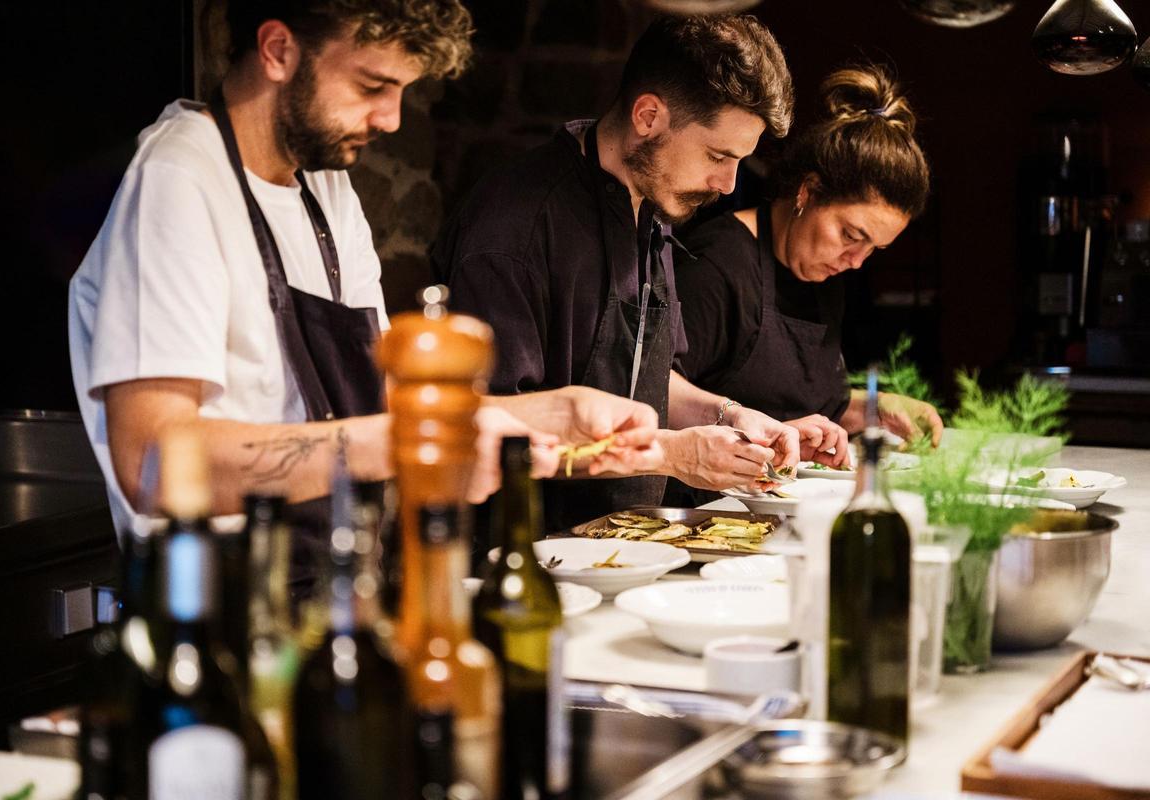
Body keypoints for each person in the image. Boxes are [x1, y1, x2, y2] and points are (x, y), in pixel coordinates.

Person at [68, 0, 659, 538]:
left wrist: (554, 413)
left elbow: (379, 399)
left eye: (402, 90)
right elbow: (153, 461)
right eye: (372, 85)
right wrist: (408, 443)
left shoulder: (326, 188)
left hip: (331, 578)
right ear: (278, 50)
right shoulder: (180, 177)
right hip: (216, 598)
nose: (392, 119)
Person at [433, 14, 825, 530]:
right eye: (717, 155)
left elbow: (649, 379)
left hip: (625, 544)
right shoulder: (514, 225)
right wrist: (671, 454)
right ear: (648, 116)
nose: (729, 184)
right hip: (529, 550)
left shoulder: (653, 209)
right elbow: (495, 425)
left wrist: (730, 416)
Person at [674, 64, 944, 462]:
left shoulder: (820, 273)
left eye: (874, 248)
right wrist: (732, 419)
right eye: (851, 235)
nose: (856, 262)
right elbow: (651, 388)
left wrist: (876, 407)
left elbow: (803, 404)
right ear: (809, 192)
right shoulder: (717, 264)